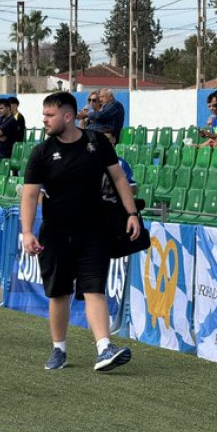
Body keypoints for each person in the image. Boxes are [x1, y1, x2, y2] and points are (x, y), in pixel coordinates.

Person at [21, 91, 139, 372]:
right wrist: (27, 231)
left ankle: (104, 348)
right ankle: (59, 349)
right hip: (56, 232)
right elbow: (29, 196)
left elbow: (119, 178)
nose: (44, 120)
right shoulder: (41, 153)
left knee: (94, 288)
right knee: (59, 292)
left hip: (94, 230)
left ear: (68, 116)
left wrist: (132, 214)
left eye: (50, 115)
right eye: (44, 114)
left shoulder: (96, 142)